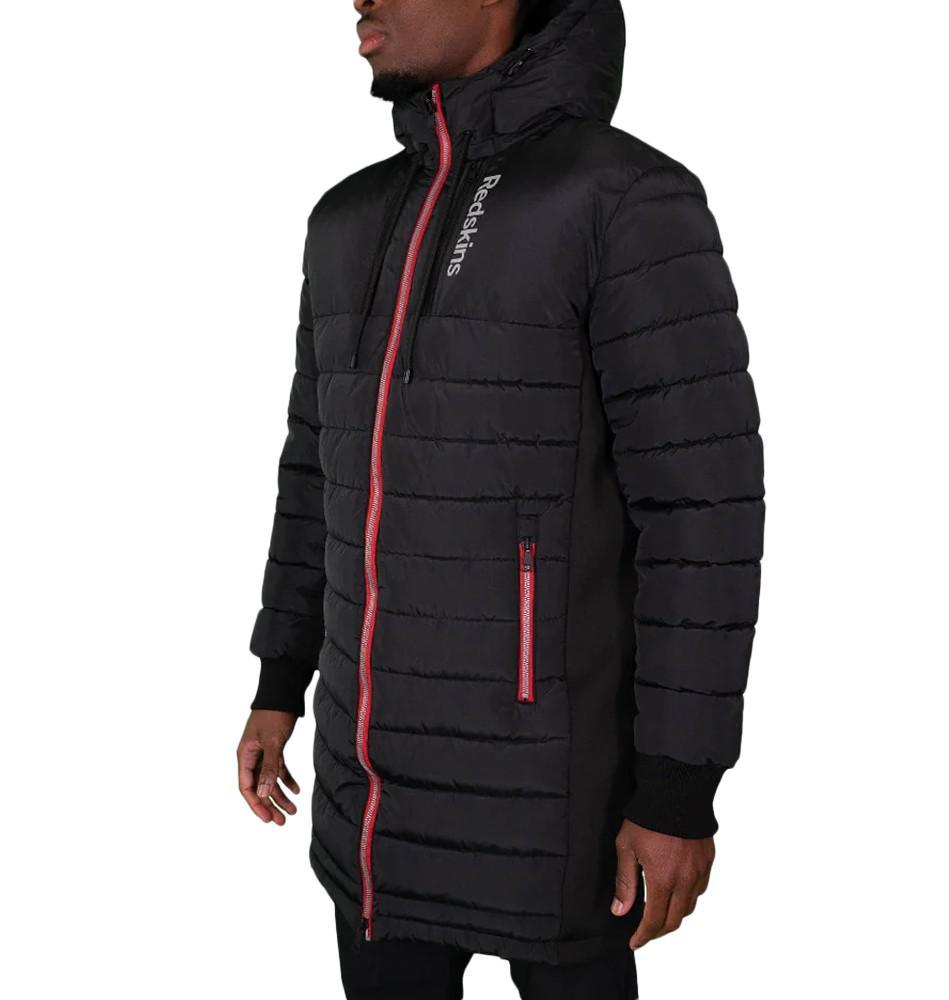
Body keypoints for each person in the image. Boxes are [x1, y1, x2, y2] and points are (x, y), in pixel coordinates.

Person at [237, 0, 764, 996]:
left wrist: (677, 790)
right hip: (370, 808)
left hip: (556, 804)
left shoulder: (621, 201)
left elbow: (704, 517)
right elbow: (315, 472)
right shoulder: (345, 220)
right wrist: (279, 680)